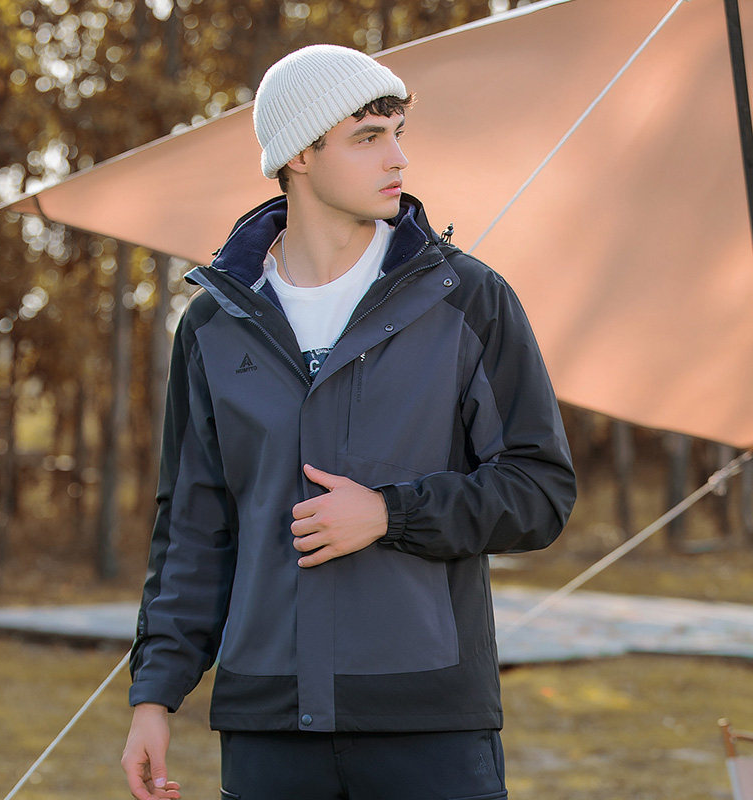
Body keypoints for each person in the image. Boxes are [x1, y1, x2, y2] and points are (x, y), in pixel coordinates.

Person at [121, 43, 576, 800]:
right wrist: (153, 696)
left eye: (398, 132)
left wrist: (391, 514)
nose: (398, 157)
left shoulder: (466, 299)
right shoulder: (214, 325)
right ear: (299, 155)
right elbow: (194, 529)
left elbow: (539, 490)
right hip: (267, 728)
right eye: (367, 137)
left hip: (428, 725)